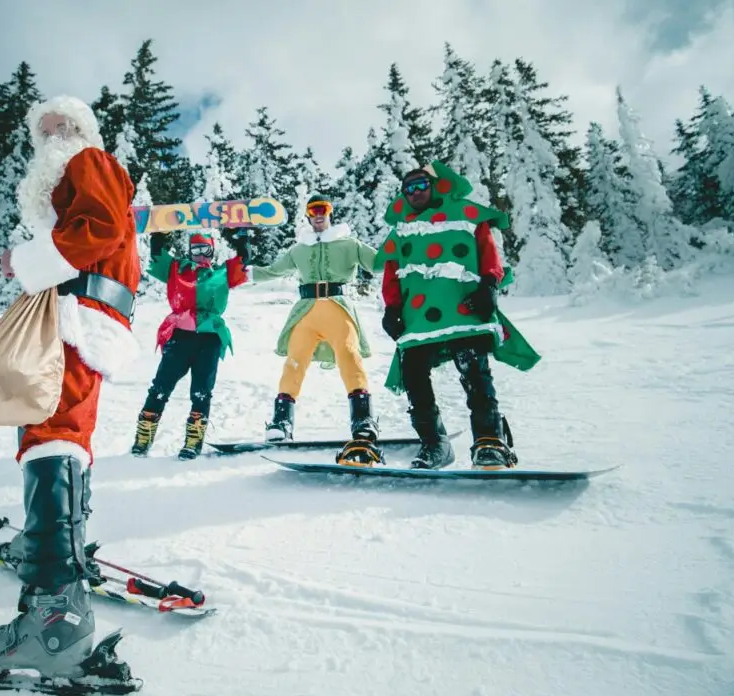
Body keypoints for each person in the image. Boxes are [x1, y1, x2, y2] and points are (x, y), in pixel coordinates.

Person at [0, 95, 141, 683]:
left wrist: (25, 261)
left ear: (85, 131)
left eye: (66, 125)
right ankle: (63, 558)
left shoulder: (89, 160)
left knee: (48, 430)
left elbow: (101, 228)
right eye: (45, 130)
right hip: (87, 313)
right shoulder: (79, 172)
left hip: (76, 313)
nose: (56, 135)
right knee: (63, 435)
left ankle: (55, 614)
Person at [375, 161, 540, 470]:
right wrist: (392, 307)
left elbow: (487, 251)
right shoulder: (401, 230)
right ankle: (435, 444)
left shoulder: (466, 214)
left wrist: (489, 283)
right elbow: (391, 271)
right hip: (419, 319)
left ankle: (490, 442)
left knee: (475, 372)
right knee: (413, 376)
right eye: (408, 188)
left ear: (435, 185)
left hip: (464, 310)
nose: (415, 191)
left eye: (421, 184)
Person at [250, 194, 382, 466]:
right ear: (308, 216)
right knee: (294, 363)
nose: (319, 214)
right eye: (313, 210)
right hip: (306, 311)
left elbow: (380, 263)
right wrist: (244, 269)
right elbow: (273, 271)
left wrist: (402, 248)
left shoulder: (349, 244)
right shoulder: (299, 249)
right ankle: (281, 423)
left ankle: (363, 421)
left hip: (338, 307)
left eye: (323, 209)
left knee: (348, 355)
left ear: (330, 212)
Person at [131, 229, 250, 459]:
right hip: (180, 337)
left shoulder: (222, 274)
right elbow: (157, 256)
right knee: (160, 387)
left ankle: (193, 441)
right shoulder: (176, 269)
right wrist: (158, 235)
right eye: (195, 249)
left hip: (209, 338)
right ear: (189, 251)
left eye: (204, 249)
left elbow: (243, 262)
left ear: (212, 251)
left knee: (201, 392)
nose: (200, 254)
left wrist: (242, 240)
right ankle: (143, 437)